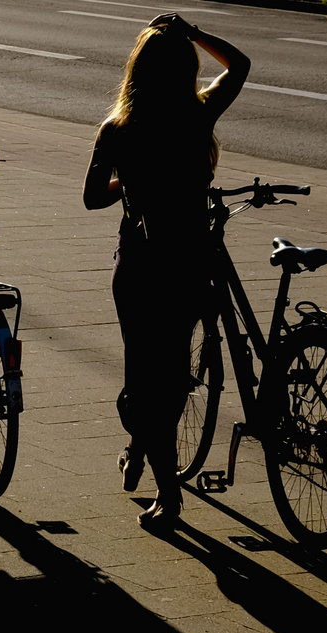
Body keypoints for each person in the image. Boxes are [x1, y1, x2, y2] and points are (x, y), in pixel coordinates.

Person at [82, 12, 248, 527]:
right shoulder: (197, 114)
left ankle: (165, 489)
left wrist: (128, 186)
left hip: (139, 265)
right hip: (190, 260)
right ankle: (150, 455)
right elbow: (239, 65)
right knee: (173, 374)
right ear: (185, 69)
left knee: (143, 374)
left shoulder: (118, 130)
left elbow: (91, 198)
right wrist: (194, 32)